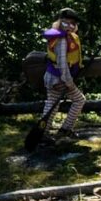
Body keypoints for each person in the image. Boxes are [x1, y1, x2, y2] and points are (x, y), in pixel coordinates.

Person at [31, 8, 87, 148]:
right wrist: (68, 82)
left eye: (72, 23)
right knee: (79, 100)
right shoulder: (61, 39)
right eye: (65, 23)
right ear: (59, 23)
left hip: (54, 77)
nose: (69, 26)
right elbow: (62, 63)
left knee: (52, 105)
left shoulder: (65, 37)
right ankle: (63, 130)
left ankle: (45, 133)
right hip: (59, 79)